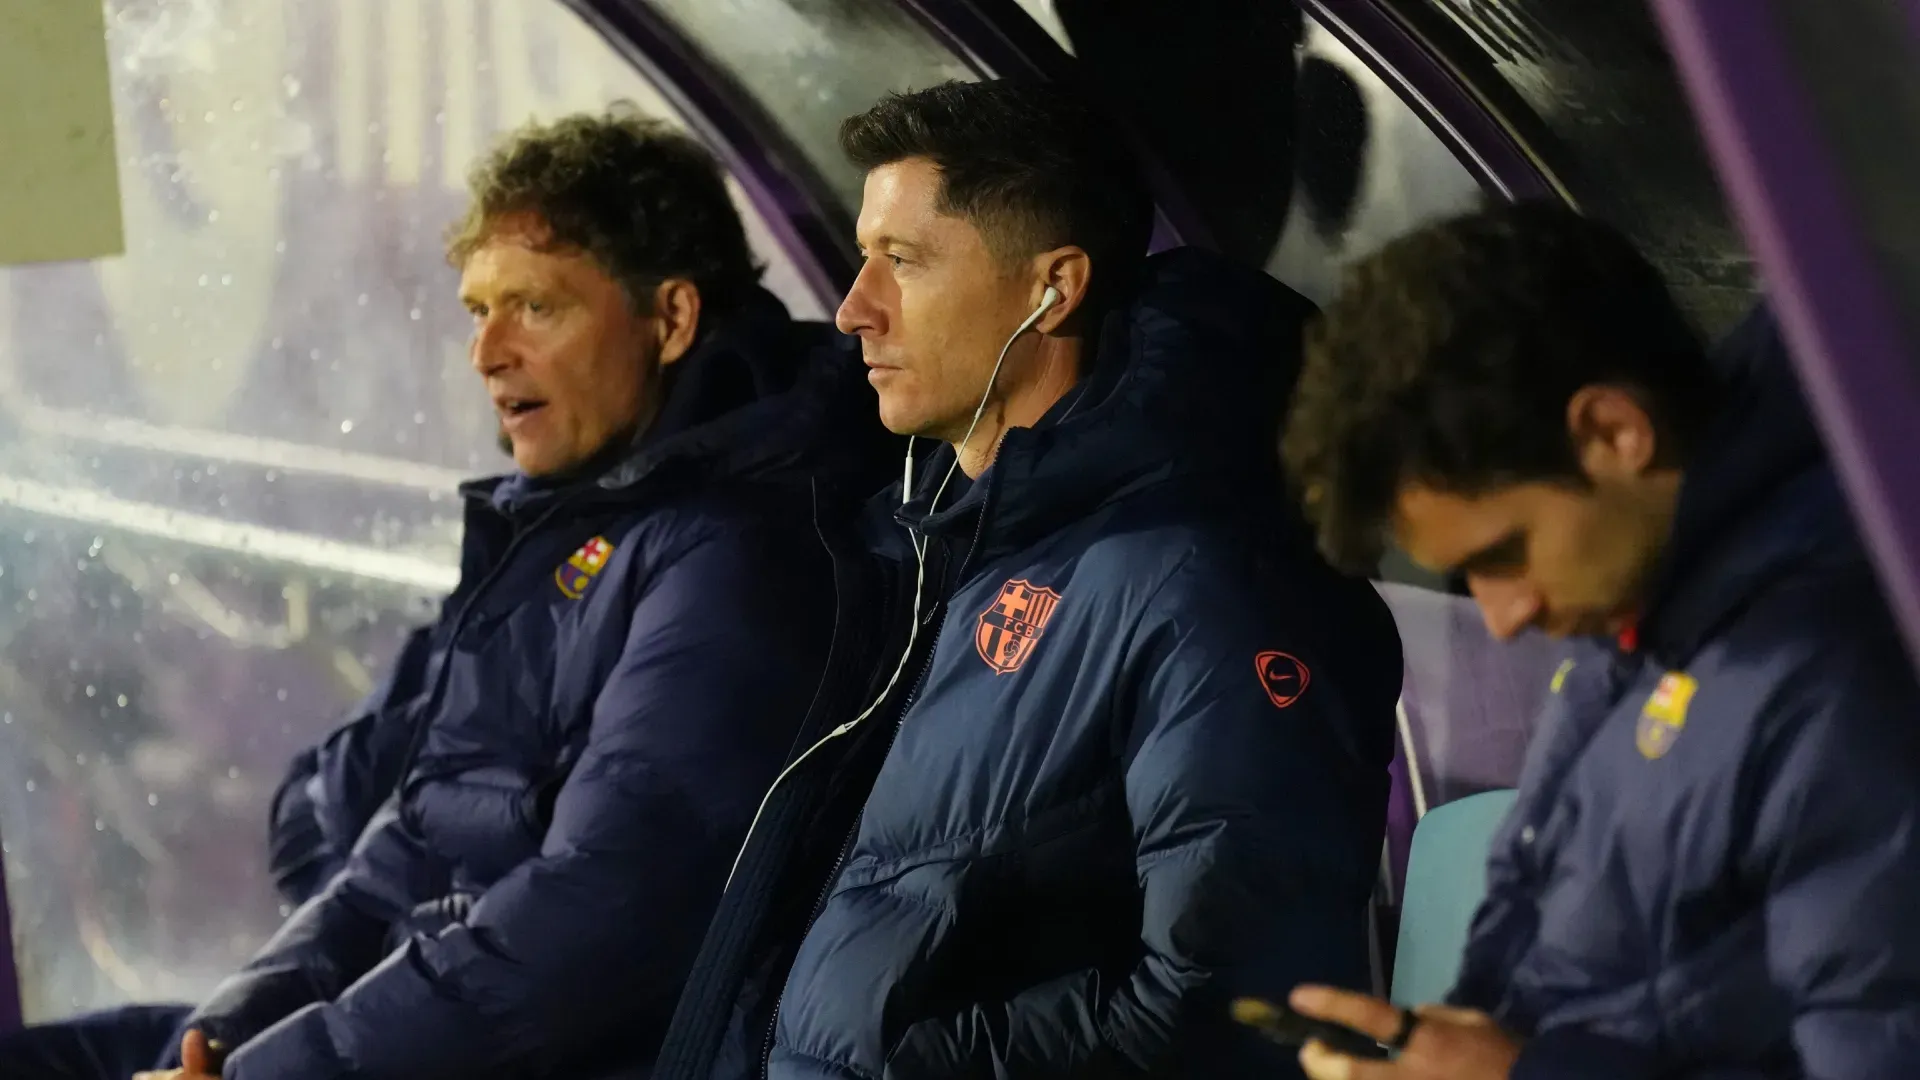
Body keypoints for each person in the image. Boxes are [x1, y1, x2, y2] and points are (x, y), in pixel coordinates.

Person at [0, 106, 891, 1080]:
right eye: (478, 310)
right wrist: (215, 1043)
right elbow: (403, 847)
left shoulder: (743, 556)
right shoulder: (566, 526)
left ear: (670, 319)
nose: (487, 354)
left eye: (537, 308)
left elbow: (596, 910)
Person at [652, 79, 1403, 1080]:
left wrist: (907, 1066)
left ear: (1055, 287)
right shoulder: (935, 549)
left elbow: (1238, 1004)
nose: (852, 311)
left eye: (903, 263)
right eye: (861, 258)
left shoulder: (1198, 581)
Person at [1277, 201, 1920, 1079]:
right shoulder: (1644, 608)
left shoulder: (1840, 672)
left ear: (1615, 432)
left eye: (1504, 554)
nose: (1502, 617)